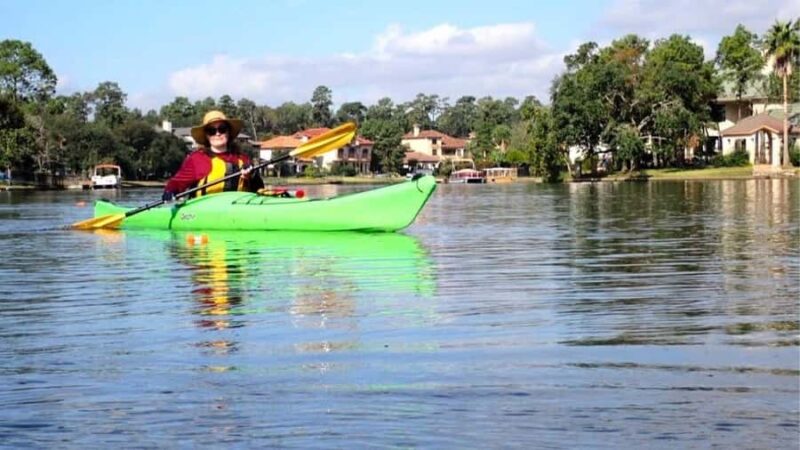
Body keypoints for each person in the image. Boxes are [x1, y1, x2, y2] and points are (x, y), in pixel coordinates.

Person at [162, 110, 263, 201]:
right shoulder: (197, 159)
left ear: (228, 132)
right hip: (204, 213)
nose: (217, 134)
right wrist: (170, 191)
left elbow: (259, 189)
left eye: (222, 129)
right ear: (207, 136)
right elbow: (177, 183)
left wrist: (252, 175)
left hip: (237, 214)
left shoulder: (243, 159)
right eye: (212, 131)